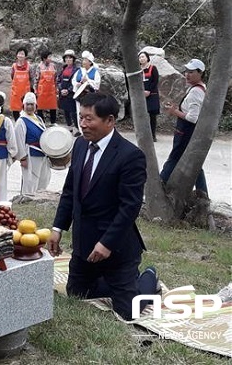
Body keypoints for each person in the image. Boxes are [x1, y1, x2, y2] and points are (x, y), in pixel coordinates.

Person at [48, 92, 158, 321]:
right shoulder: (79, 145)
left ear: (110, 120)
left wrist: (107, 243)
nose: (83, 124)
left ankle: (147, 277)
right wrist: (57, 229)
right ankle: (110, 283)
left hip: (116, 249)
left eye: (90, 119)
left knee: (129, 312)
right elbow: (70, 191)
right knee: (77, 295)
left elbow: (130, 206)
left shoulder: (130, 156)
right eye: (81, 118)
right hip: (84, 245)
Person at [160, 59, 207, 193]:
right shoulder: (201, 88)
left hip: (186, 132)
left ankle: (160, 183)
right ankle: (202, 194)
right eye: (186, 71)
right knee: (196, 164)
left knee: (174, 158)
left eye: (191, 72)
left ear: (200, 73)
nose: (187, 74)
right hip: (189, 131)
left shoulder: (195, 92)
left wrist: (175, 112)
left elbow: (193, 117)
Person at [15, 92, 51, 195]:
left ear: (36, 106)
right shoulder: (21, 121)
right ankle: (27, 198)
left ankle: (39, 199)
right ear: (23, 106)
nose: (30, 107)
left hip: (42, 153)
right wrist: (22, 158)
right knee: (30, 180)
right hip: (31, 155)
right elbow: (19, 141)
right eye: (28, 104)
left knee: (43, 179)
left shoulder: (39, 118)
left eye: (32, 104)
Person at [72, 50, 101, 136]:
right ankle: (82, 130)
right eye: (83, 60)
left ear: (90, 62)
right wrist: (78, 83)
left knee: (90, 112)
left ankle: (90, 128)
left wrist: (87, 81)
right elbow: (74, 81)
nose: (83, 62)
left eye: (85, 60)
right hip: (80, 96)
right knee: (79, 112)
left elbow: (96, 85)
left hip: (90, 96)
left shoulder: (95, 72)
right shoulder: (79, 71)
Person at [138, 51, 160, 142]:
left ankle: (152, 135)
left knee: (152, 116)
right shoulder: (138, 70)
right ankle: (142, 134)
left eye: (143, 57)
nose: (141, 59)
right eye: (140, 57)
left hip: (152, 95)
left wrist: (149, 91)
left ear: (147, 58)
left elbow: (155, 81)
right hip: (141, 95)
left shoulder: (152, 68)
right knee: (141, 115)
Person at [58, 49, 80, 132]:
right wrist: (61, 89)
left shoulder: (77, 70)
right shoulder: (63, 69)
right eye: (66, 58)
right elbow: (58, 80)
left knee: (73, 112)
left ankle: (77, 128)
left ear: (73, 59)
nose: (68, 60)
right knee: (65, 111)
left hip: (71, 93)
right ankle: (69, 127)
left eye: (70, 58)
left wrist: (68, 90)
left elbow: (76, 82)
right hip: (63, 93)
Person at [9, 47, 33, 122]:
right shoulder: (14, 66)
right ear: (16, 55)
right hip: (16, 91)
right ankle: (17, 121)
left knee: (26, 106)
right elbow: (12, 76)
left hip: (25, 91)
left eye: (22, 54)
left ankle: (26, 121)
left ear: (25, 56)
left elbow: (31, 77)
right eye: (19, 53)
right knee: (15, 107)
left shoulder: (29, 66)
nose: (20, 55)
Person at [35, 50, 58, 125]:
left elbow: (56, 78)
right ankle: (42, 123)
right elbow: (36, 79)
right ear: (44, 58)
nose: (51, 58)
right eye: (49, 57)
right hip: (42, 90)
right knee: (40, 107)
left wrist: (56, 88)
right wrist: (35, 89)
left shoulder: (53, 66)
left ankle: (53, 122)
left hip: (51, 89)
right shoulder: (39, 66)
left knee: (53, 106)